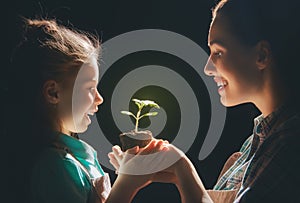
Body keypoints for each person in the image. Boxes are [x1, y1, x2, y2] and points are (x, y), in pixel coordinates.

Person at [107, 0, 300, 202]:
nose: (208, 67)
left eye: (218, 52)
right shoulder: (258, 140)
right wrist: (176, 171)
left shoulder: (290, 144)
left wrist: (183, 167)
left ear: (261, 55)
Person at [7, 17, 113, 203]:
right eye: (90, 88)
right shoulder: (54, 167)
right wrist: (130, 182)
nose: (99, 98)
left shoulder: (71, 156)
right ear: (53, 92)